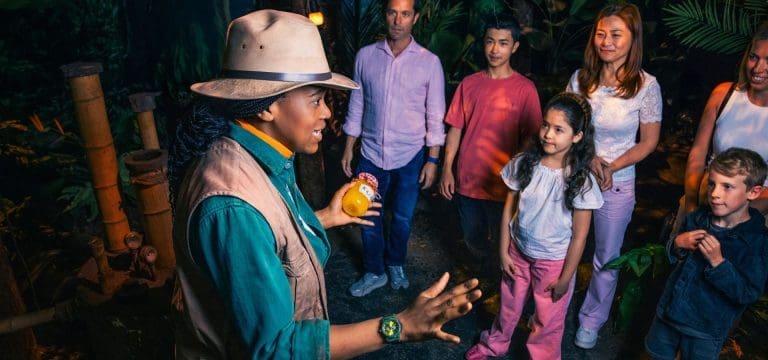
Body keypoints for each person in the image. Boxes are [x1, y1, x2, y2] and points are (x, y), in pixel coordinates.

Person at [168, 10, 481, 359]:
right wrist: (399, 326)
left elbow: (270, 242)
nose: (328, 113)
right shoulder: (232, 207)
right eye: (316, 100)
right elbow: (276, 349)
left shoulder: (257, 155)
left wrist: (326, 217)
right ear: (268, 106)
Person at [464, 93, 604, 360]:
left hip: (553, 263)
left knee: (547, 321)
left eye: (559, 129)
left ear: (577, 136)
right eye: (545, 125)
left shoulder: (581, 181)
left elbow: (580, 237)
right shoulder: (524, 163)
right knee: (508, 306)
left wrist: (565, 278)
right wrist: (503, 252)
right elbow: (508, 210)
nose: (548, 134)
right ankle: (495, 344)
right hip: (518, 252)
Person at [565, 3, 663, 349]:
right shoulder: (580, 79)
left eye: (616, 34)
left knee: (607, 255)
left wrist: (611, 166)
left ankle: (591, 320)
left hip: (617, 182)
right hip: (577, 175)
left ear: (632, 39)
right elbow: (566, 127)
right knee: (563, 244)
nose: (606, 41)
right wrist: (590, 160)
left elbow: (648, 142)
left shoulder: (646, 86)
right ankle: (553, 306)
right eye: (601, 33)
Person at [342, 0, 446, 297]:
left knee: (402, 216)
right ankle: (374, 271)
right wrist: (350, 146)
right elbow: (357, 104)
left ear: (414, 18)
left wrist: (433, 160)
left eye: (405, 14)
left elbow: (435, 115)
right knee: (368, 215)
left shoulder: (429, 62)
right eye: (392, 12)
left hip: (411, 156)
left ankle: (396, 263)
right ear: (384, 15)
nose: (397, 20)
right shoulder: (365, 57)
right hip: (371, 154)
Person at [439, 14, 542, 279]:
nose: (495, 49)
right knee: (472, 236)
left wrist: (521, 175)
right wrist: (447, 169)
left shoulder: (525, 89)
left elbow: (532, 138)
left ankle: (500, 284)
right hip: (468, 180)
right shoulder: (469, 84)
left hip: (504, 184)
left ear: (515, 47)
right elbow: (455, 129)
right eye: (490, 42)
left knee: (503, 241)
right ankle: (483, 274)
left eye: (503, 43)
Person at [645, 147, 768, 360]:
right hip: (668, 314)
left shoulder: (756, 241)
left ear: (753, 192)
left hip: (705, 330)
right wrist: (677, 244)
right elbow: (675, 260)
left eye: (727, 186)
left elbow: (747, 293)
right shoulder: (698, 218)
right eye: (712, 183)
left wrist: (719, 264)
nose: (714, 194)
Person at [674, 22, 768, 236]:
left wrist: (734, 218)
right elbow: (697, 156)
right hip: (705, 200)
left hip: (757, 216)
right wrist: (690, 207)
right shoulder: (724, 94)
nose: (758, 68)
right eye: (754, 57)